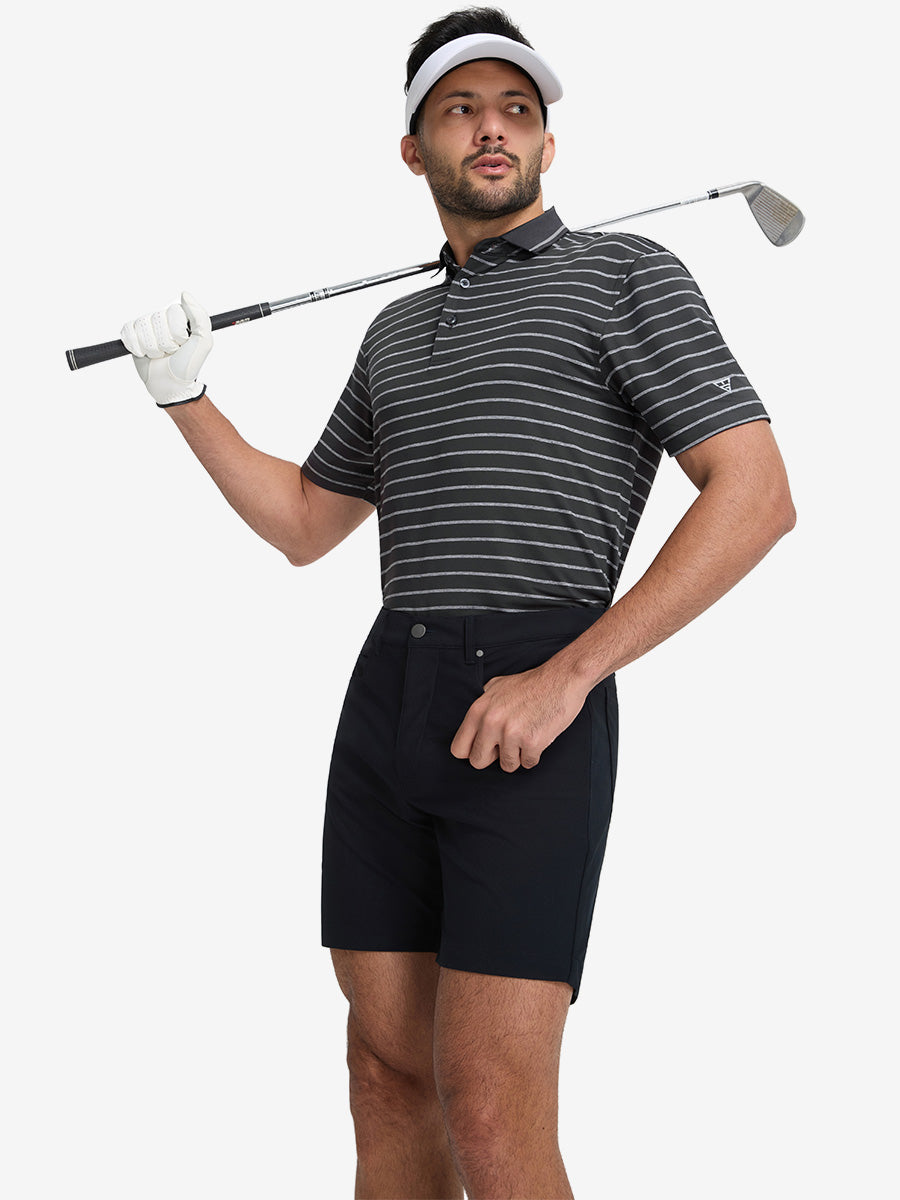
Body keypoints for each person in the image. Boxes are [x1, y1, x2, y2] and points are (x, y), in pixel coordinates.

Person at [119, 7, 796, 1198]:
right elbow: (306, 524)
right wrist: (186, 398)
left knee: (490, 1115)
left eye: (517, 111)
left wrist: (569, 676)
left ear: (547, 145)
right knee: (386, 1075)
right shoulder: (396, 330)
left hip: (534, 689)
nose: (493, 129)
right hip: (391, 692)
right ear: (414, 147)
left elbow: (756, 495)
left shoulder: (625, 275)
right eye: (461, 110)